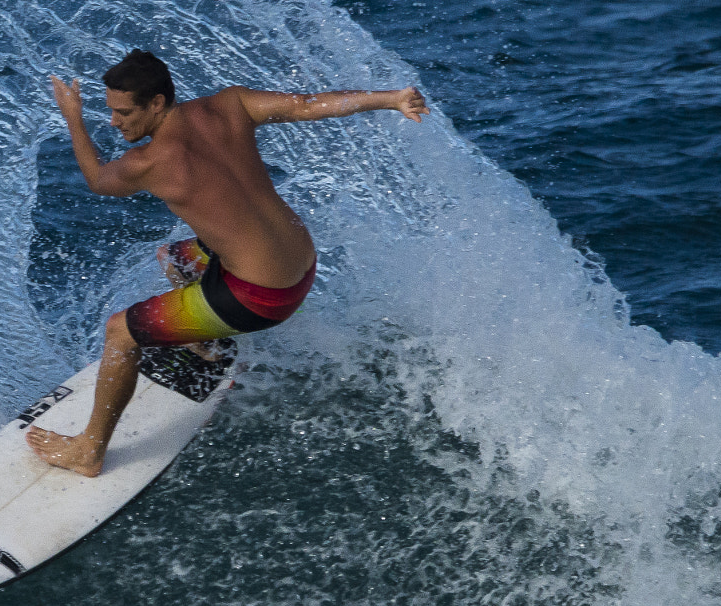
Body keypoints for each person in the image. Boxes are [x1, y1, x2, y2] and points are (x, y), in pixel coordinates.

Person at [26, 49, 427, 477]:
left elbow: (97, 179)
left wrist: (72, 115)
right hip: (304, 262)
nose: (113, 122)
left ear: (157, 103)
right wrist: (390, 98)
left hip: (261, 297)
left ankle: (89, 450)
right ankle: (208, 344)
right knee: (174, 256)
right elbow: (305, 105)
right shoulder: (231, 105)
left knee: (120, 333)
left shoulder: (146, 164)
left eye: (123, 112)